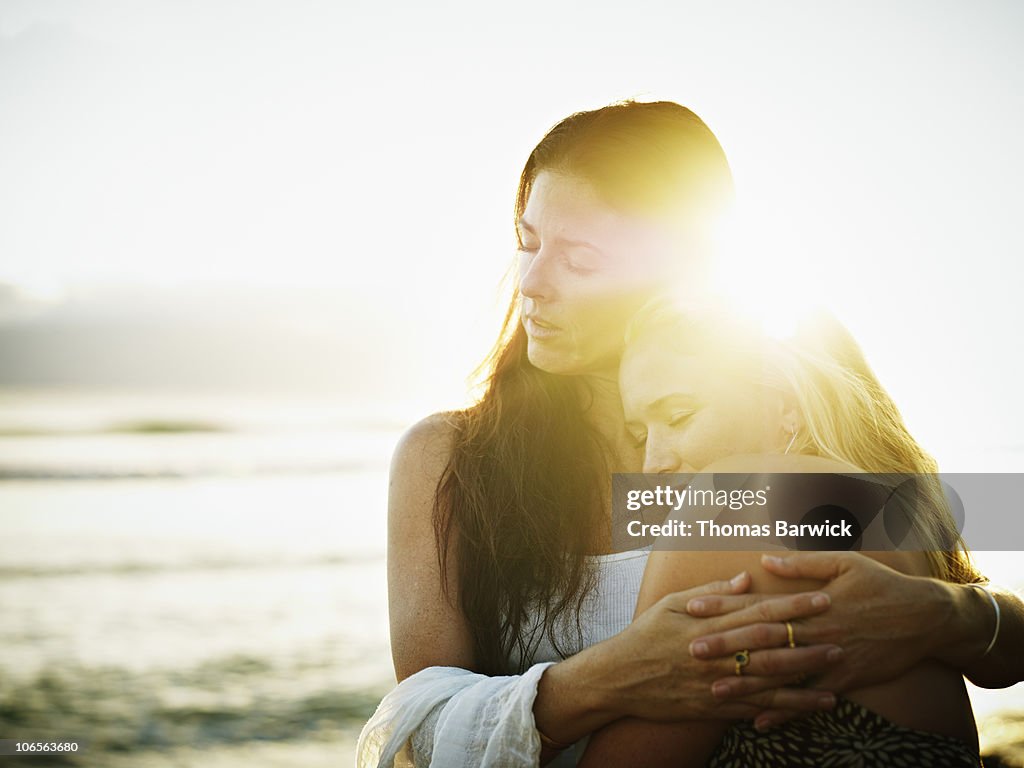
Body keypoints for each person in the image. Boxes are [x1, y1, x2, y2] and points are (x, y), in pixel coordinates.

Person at [357, 99, 1024, 768]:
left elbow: (975, 589)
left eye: (580, 262)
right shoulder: (451, 459)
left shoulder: (775, 412)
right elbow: (423, 724)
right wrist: (613, 675)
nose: (531, 284)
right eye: (527, 244)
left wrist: (946, 617)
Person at [578, 297, 988, 766]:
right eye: (639, 435)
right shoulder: (887, 509)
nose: (652, 464)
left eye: (678, 417)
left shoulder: (728, 504)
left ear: (784, 407)